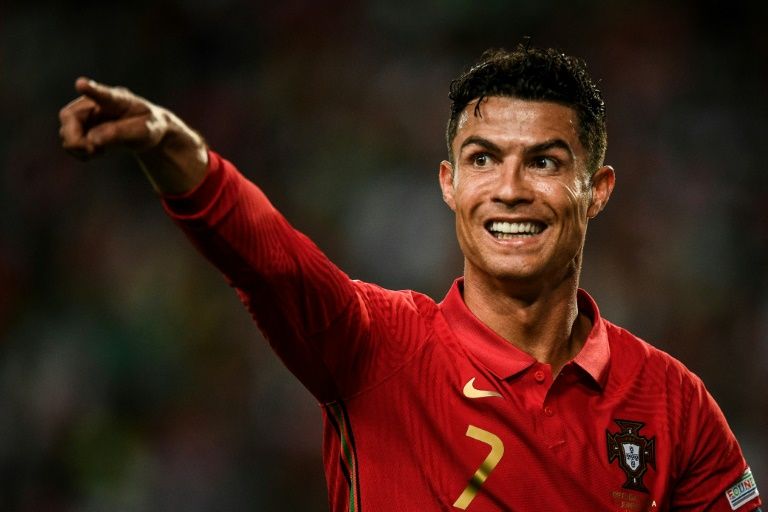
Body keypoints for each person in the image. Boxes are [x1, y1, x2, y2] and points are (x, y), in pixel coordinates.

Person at [59, 46, 762, 511]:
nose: (510, 189)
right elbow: (268, 260)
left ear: (597, 188)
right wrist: (168, 145)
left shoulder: (675, 404)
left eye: (544, 163)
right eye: (483, 160)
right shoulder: (377, 346)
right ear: (448, 184)